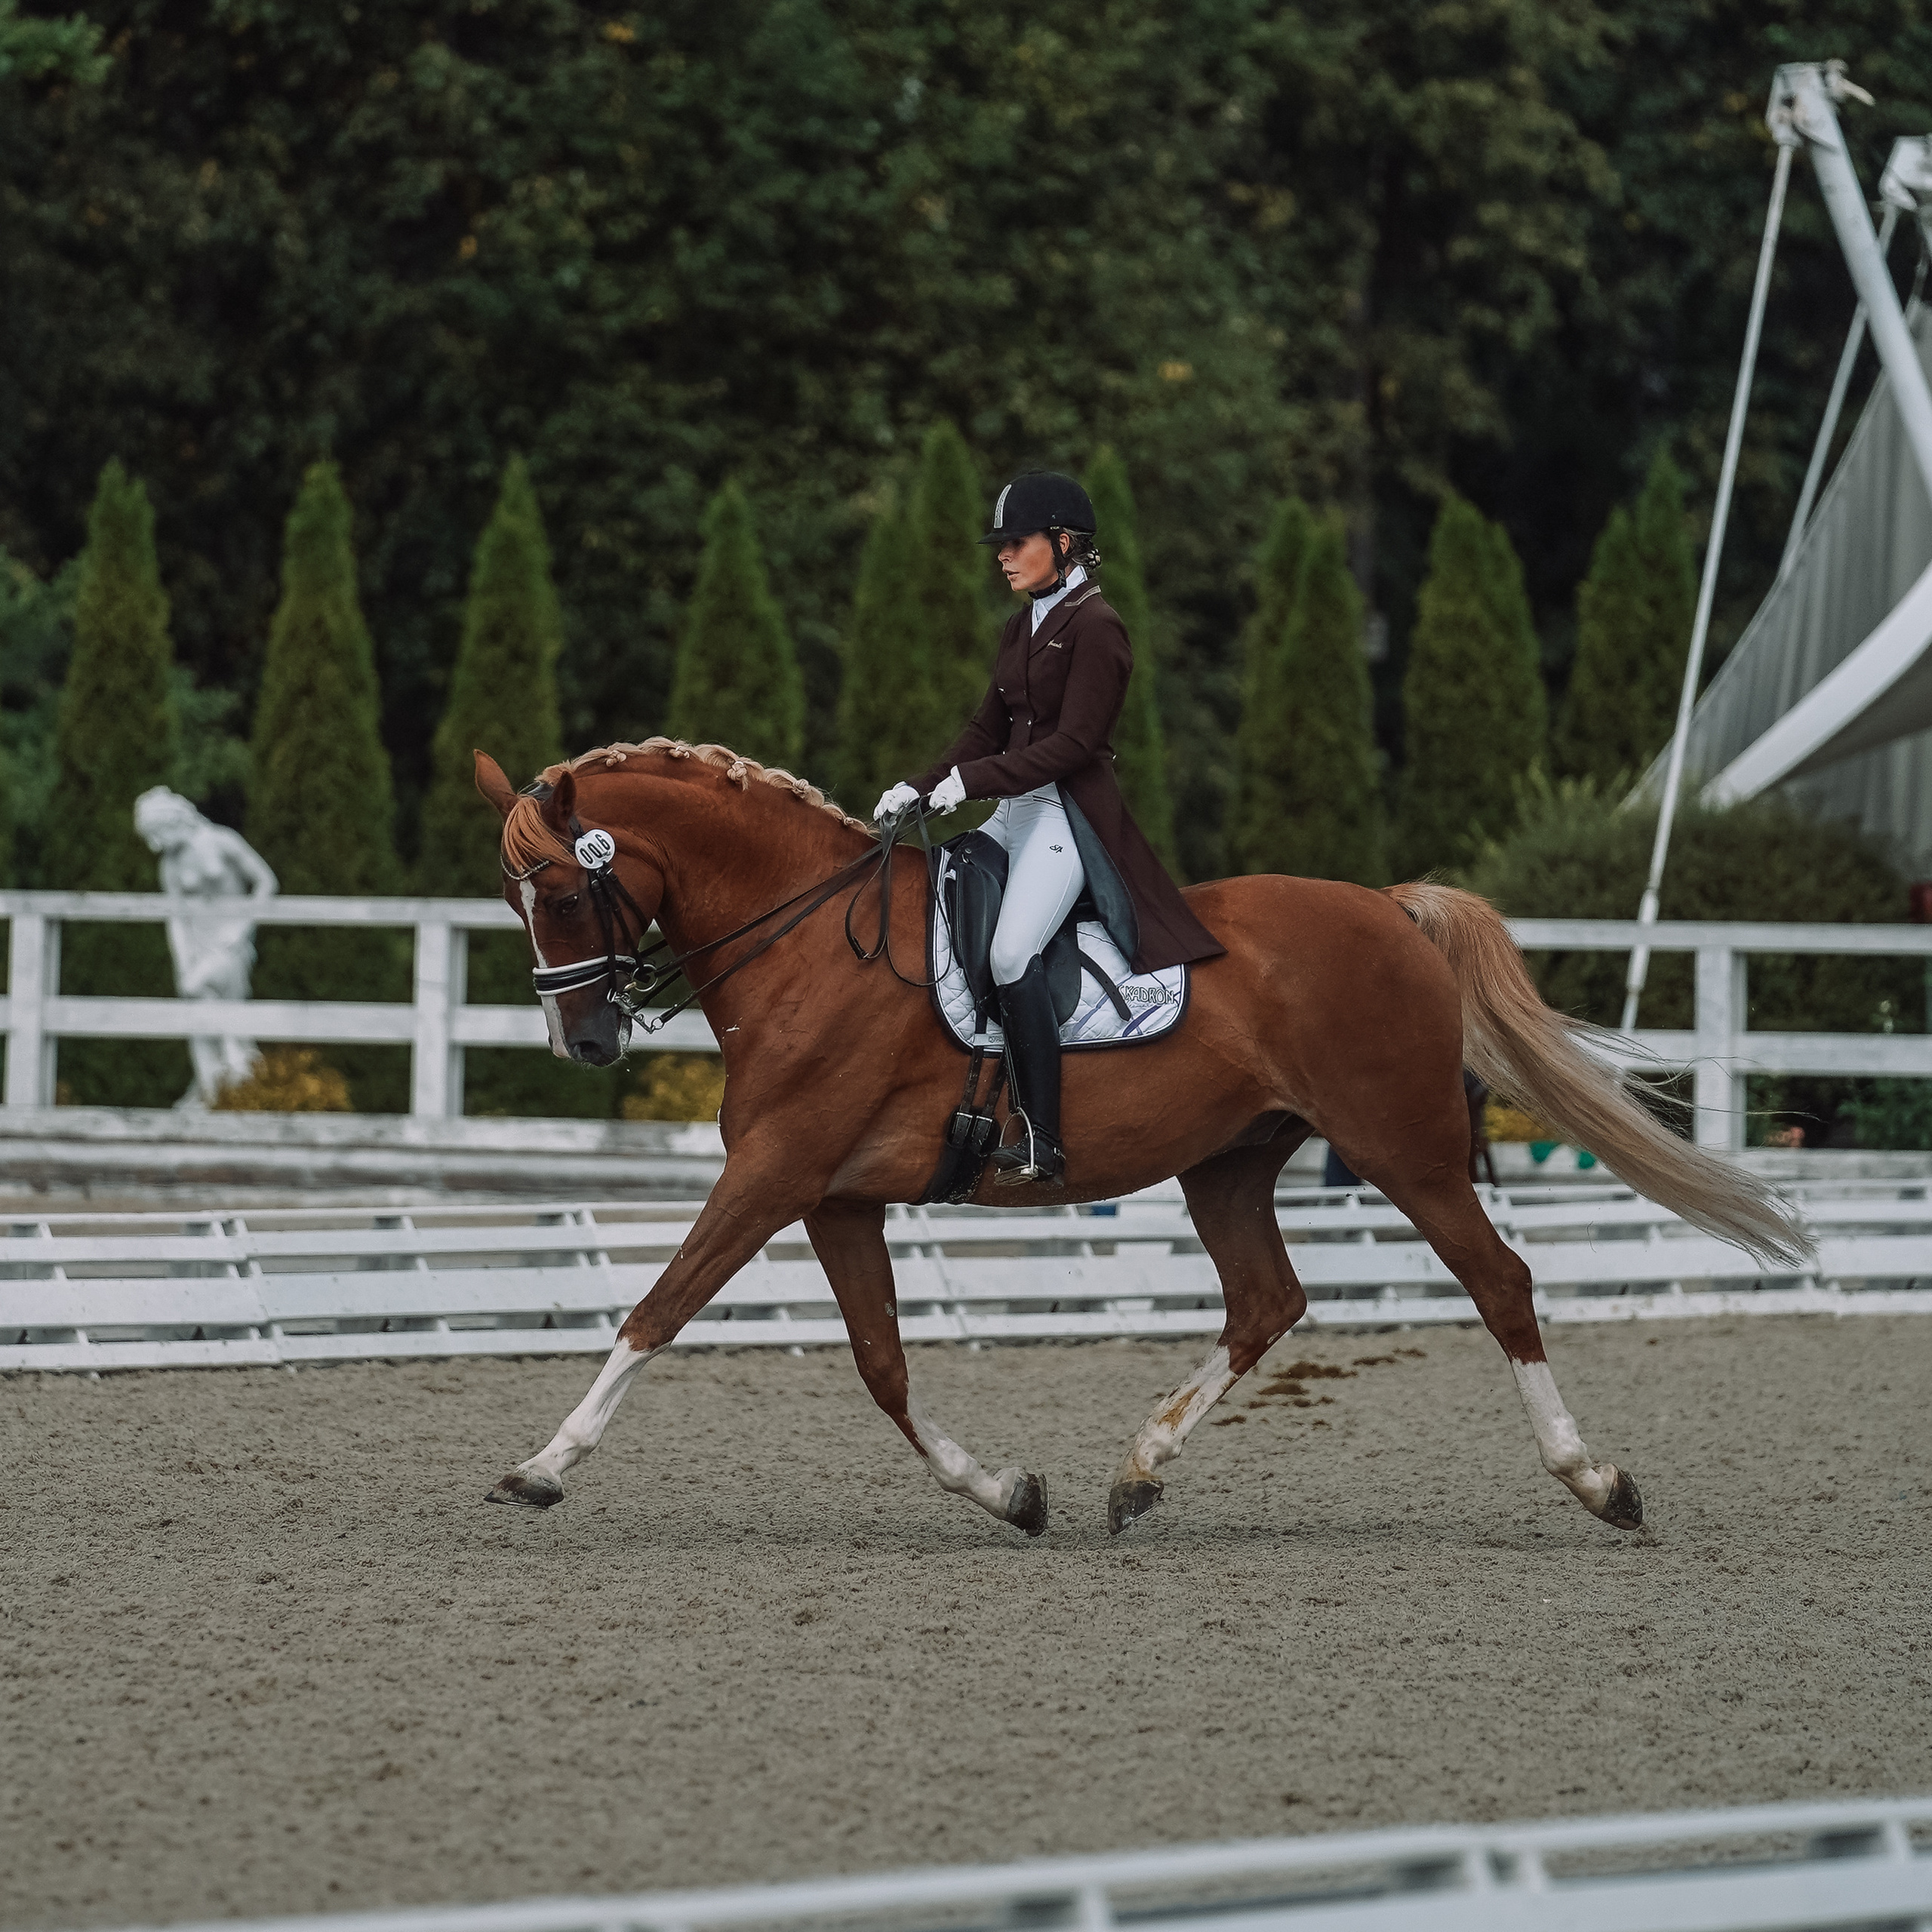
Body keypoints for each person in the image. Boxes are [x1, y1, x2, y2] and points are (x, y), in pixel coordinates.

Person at [874, 469, 1224, 1184]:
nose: (1002, 555)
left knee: (1009, 957)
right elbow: (986, 727)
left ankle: (1043, 1138)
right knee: (937, 909)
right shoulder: (1021, 625)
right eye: (999, 545)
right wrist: (918, 787)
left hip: (1068, 817)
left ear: (1063, 543)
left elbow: (1074, 747)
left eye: (1016, 542)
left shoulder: (1099, 628)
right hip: (1015, 814)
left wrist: (969, 784)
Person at [134, 786, 279, 1106]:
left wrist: (243, 927)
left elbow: (266, 882)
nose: (155, 844)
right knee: (200, 1015)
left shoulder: (222, 841)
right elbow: (176, 919)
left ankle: (237, 1077)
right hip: (196, 945)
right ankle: (214, 1084)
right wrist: (183, 959)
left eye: (156, 833)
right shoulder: (169, 866)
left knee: (207, 993)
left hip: (230, 942)